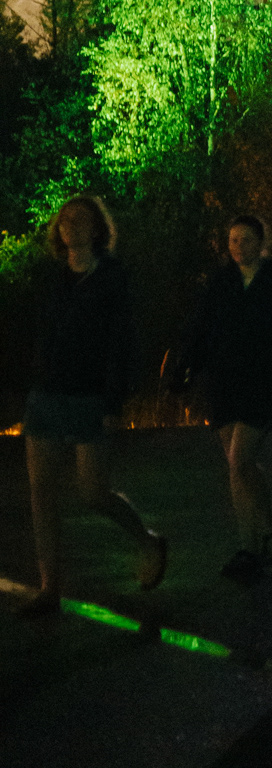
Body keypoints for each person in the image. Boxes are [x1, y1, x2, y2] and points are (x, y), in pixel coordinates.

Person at [18, 194, 166, 617]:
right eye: (65, 220)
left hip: (89, 396)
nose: (71, 226)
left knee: (92, 492)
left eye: (80, 220)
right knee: (41, 491)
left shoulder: (112, 278)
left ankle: (147, 540)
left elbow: (121, 342)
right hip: (47, 393)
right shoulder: (52, 278)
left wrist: (113, 401)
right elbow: (37, 331)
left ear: (97, 228)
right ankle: (49, 588)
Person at [168, 213, 272, 584]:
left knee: (240, 458)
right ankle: (260, 534)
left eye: (246, 239)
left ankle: (253, 543)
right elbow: (201, 327)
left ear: (262, 243)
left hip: (261, 384)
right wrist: (184, 367)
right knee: (238, 465)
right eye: (233, 240)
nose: (238, 247)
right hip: (224, 384)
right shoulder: (221, 281)